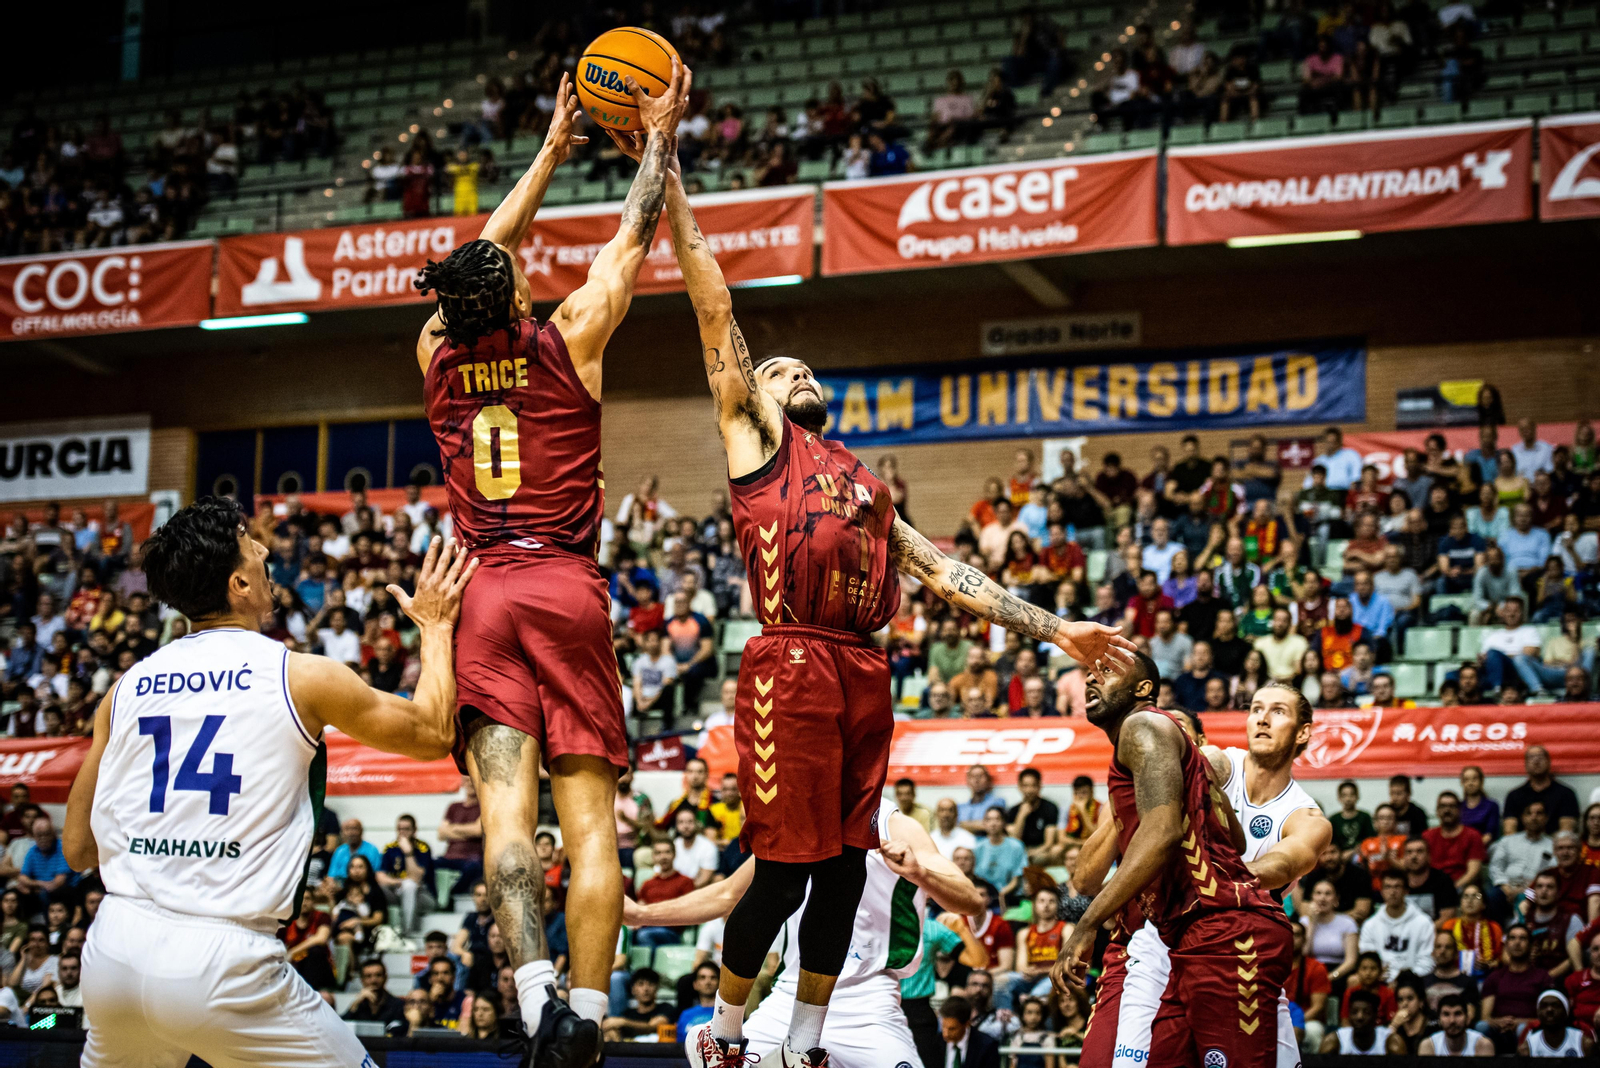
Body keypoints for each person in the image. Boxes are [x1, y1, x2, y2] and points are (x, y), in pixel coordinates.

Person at [630, 118, 1134, 1068]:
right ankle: (729, 1036)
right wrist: (672, 177)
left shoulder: (864, 484)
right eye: (784, 370)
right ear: (755, 395)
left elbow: (945, 574)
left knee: (847, 867)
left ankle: (807, 1045)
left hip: (865, 669)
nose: (801, 374)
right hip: (791, 660)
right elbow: (713, 308)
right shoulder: (753, 439)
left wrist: (1057, 628)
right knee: (780, 876)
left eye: (808, 369)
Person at [410, 65, 690, 1062]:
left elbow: (481, 262)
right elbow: (635, 232)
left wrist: (545, 152)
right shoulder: (570, 333)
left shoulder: (434, 355)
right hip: (564, 587)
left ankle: (533, 1001)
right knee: (590, 830)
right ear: (522, 288)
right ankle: (589, 1012)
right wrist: (656, 133)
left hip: (480, 591)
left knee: (503, 815)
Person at [63, 499, 476, 1068]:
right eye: (252, 548)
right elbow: (432, 731)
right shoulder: (299, 674)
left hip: (113, 953)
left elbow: (79, 848)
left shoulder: (125, 688)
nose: (264, 553)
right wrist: (434, 627)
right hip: (222, 961)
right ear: (238, 583)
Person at [624, 796, 986, 1068]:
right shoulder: (796, 823)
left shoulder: (895, 825)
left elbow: (971, 901)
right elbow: (727, 894)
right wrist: (642, 914)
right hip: (790, 995)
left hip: (868, 1002)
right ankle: (722, 1037)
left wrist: (920, 873)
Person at [1056, 654, 1292, 1068]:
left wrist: (1088, 923)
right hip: (1185, 939)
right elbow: (1232, 841)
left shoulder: (1142, 725)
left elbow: (1163, 833)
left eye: (1108, 674)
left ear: (1144, 689)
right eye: (1091, 674)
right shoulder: (1175, 759)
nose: (1093, 680)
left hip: (1226, 935)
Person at [1103, 681, 1331, 1068]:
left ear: (1303, 732)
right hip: (1166, 942)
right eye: (1256, 708)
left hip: (1240, 948)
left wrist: (1219, 877)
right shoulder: (1219, 762)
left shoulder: (1307, 817)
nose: (1262, 717)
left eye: (1278, 711)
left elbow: (1282, 865)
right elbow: (1195, 764)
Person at [1480, 925, 1551, 1051]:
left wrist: (1518, 1022)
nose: (1517, 943)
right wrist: (1499, 1022)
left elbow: (1546, 1015)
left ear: (1531, 945)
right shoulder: (1495, 977)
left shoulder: (1542, 976)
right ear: (1506, 945)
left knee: (1522, 1030)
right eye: (1512, 938)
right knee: (1481, 1026)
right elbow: (1485, 1017)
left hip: (1528, 1027)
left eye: (1522, 938)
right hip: (1498, 1028)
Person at [1360, 871, 1436, 981]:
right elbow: (1368, 960)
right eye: (1388, 887)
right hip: (1379, 981)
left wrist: (1403, 980)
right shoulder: (1370, 925)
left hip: (1413, 982)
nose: (1392, 892)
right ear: (1381, 891)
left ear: (1406, 891)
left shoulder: (1424, 923)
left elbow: (1427, 962)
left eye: (1397, 887)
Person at [1504, 745, 1581, 835]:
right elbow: (1509, 832)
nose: (1536, 761)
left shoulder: (1566, 794)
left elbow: (1567, 832)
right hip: (1521, 846)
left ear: (1549, 762)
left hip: (1556, 846)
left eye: (1540, 757)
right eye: (1531, 757)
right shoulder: (1514, 795)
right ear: (1525, 764)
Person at [1423, 792, 1486, 889]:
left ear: (1460, 810)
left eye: (1452, 806)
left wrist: (1452, 889)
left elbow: (1473, 871)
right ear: (1437, 811)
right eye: (1443, 806)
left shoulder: (1473, 835)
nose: (1447, 810)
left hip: (1463, 887)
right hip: (1432, 888)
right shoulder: (1427, 836)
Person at [1520, 989, 1594, 1057]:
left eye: (1555, 1005)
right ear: (1538, 1012)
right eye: (1544, 1006)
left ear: (1566, 1011)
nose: (1549, 1010)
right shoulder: (1527, 1048)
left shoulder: (1584, 1044)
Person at [344, 959, 408, 1036]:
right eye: (368, 976)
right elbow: (341, 1027)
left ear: (385, 978)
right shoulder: (358, 1006)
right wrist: (355, 1004)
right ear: (362, 980)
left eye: (378, 975)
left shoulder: (398, 1005)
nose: (373, 980)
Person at [1419, 994, 1493, 1056]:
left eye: (1458, 1014)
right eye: (1446, 1014)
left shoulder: (1482, 1045)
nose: (1452, 1020)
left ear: (1467, 1018)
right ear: (1439, 1019)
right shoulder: (1430, 1046)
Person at [940, 994, 1003, 1068]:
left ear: (967, 1024)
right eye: (943, 1027)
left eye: (952, 1029)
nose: (945, 1034)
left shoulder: (987, 1046)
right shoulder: (937, 1042)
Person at [1320, 988, 1389, 1054]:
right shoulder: (1336, 1040)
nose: (1359, 1017)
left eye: (1366, 1012)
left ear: (1376, 1015)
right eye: (1354, 1012)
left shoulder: (1388, 1041)